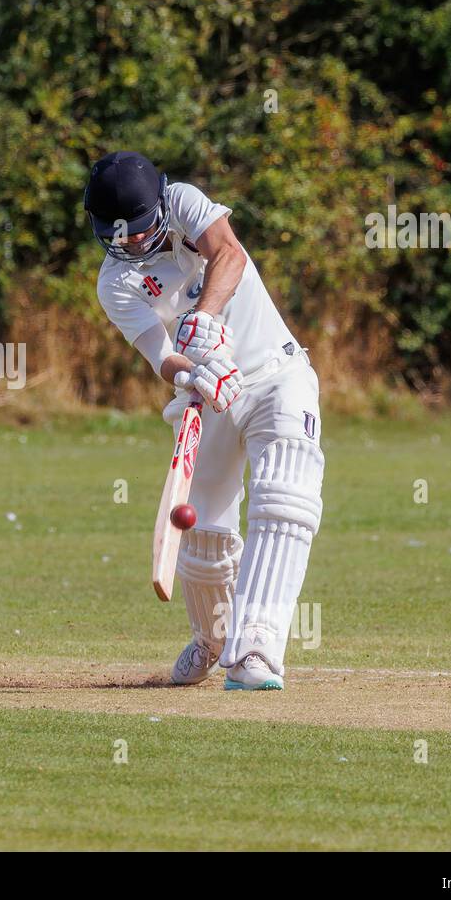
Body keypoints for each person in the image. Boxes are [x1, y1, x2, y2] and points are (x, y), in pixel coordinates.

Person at [86, 151, 324, 690]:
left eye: (137, 230)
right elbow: (160, 355)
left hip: (274, 372)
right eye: (115, 235)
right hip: (206, 394)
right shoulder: (115, 285)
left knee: (285, 496)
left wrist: (206, 318)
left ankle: (255, 650)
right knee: (205, 534)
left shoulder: (184, 202)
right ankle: (212, 637)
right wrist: (189, 373)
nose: (127, 243)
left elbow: (230, 255)